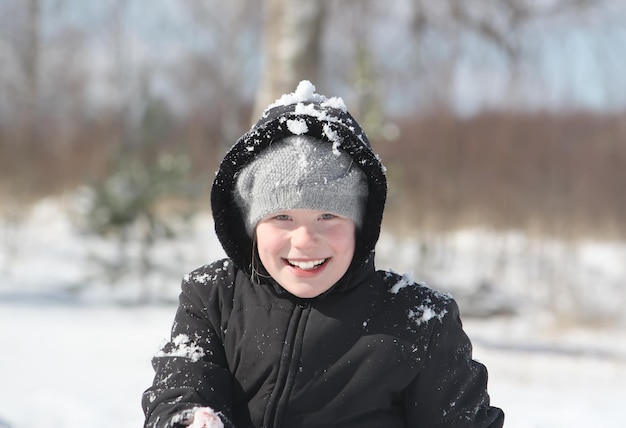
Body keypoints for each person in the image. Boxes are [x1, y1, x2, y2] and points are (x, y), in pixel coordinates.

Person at [142, 80, 505, 428]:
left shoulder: (419, 323)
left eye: (327, 216)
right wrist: (188, 419)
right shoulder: (213, 296)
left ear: (360, 226)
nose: (304, 240)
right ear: (252, 226)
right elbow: (181, 385)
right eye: (282, 216)